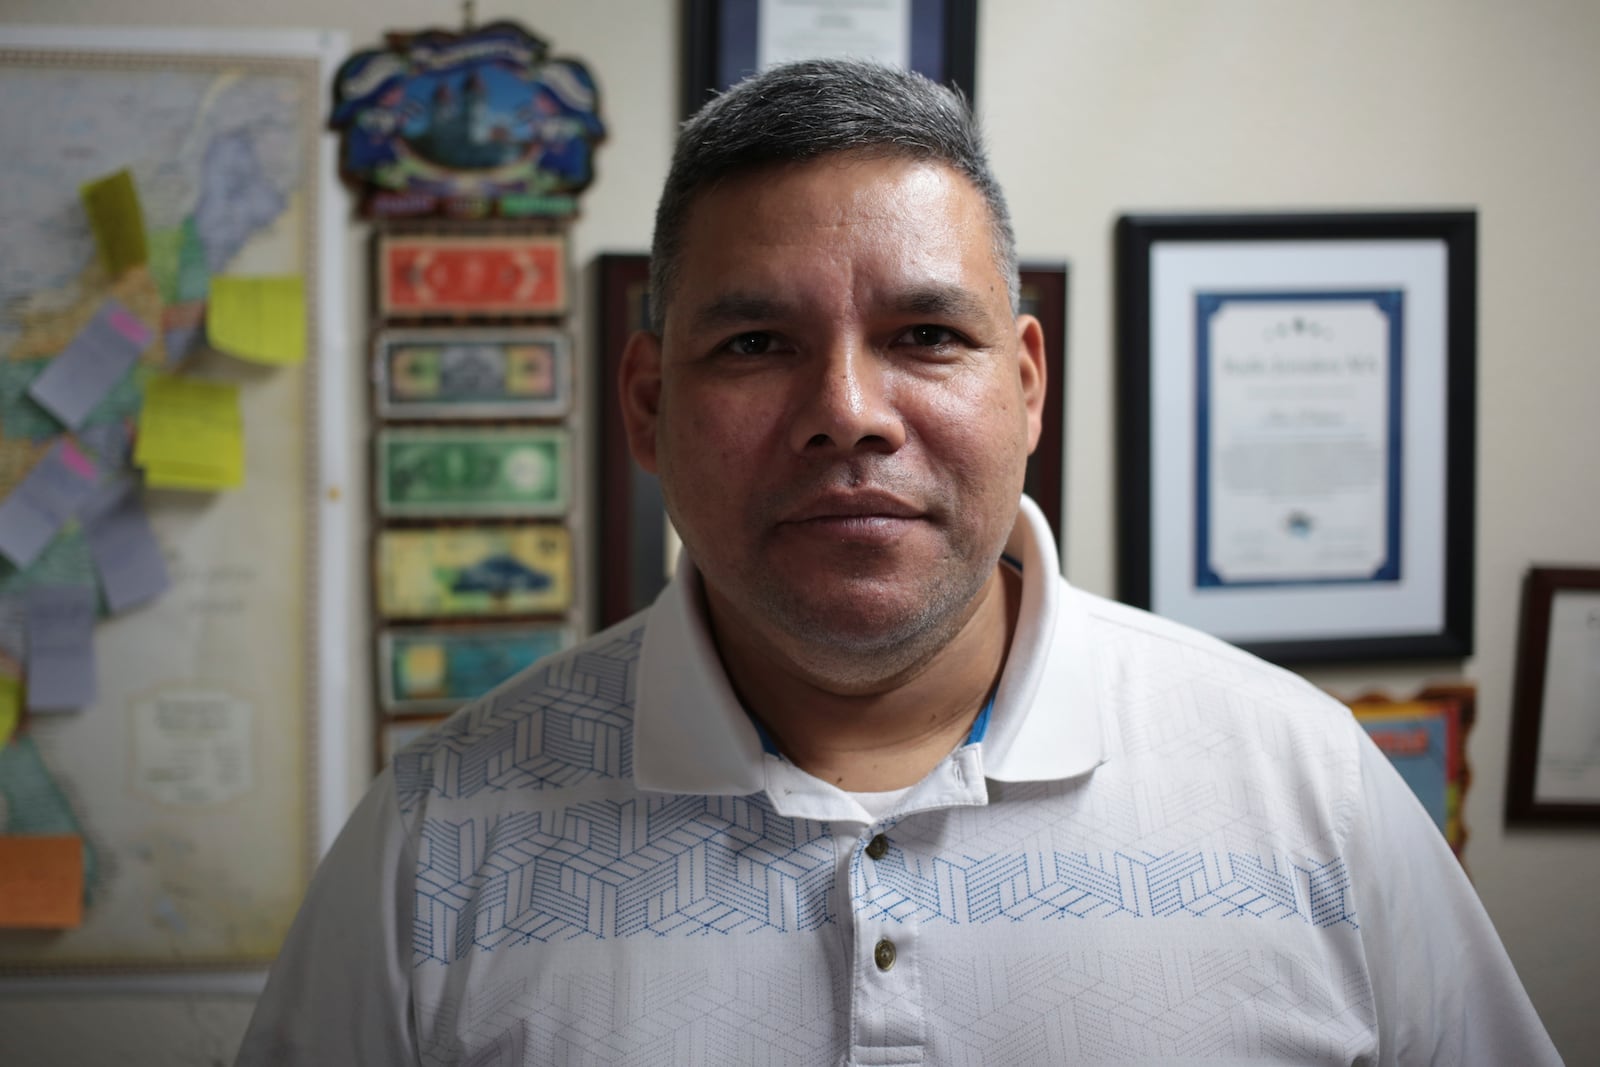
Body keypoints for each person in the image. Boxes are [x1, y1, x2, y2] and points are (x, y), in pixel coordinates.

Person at [237, 59, 1559, 1065]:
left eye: (927, 333)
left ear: (1027, 389)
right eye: (755, 344)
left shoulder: (1310, 788)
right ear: (645, 404)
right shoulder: (434, 842)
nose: (849, 411)